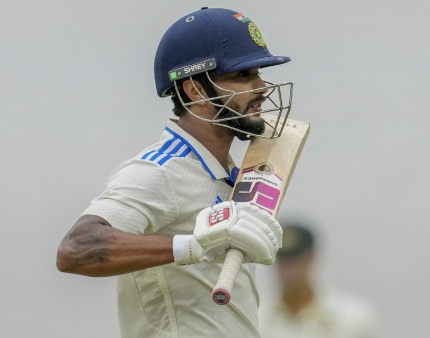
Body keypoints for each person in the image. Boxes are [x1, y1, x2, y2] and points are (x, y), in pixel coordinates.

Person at [56, 7, 295, 338]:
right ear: (195, 91)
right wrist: (194, 246)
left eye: (258, 72)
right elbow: (75, 250)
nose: (263, 87)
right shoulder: (160, 170)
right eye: (242, 76)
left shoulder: (227, 172)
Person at [259, 221, 380, 338]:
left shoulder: (355, 320)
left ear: (312, 257)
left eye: (296, 261)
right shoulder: (257, 319)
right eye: (283, 261)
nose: (289, 272)